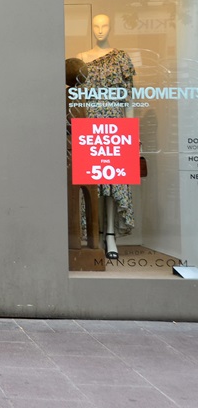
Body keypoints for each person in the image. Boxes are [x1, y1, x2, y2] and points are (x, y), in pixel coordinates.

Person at [76, 13, 137, 259]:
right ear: (91, 28)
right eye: (96, 25)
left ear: (111, 27)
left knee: (114, 182)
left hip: (115, 122)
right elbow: (76, 97)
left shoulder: (121, 57)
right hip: (89, 123)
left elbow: (129, 97)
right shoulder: (80, 58)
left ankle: (109, 233)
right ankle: (93, 232)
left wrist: (132, 131)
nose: (100, 29)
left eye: (105, 25)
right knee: (91, 181)